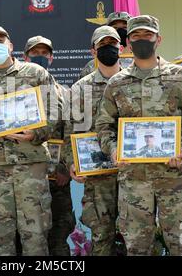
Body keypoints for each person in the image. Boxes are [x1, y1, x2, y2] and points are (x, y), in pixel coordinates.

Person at [95, 15, 182, 256]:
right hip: (134, 182)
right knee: (137, 249)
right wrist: (114, 150)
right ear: (128, 42)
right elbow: (104, 126)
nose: (142, 40)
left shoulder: (181, 77)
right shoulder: (116, 83)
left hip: (174, 179)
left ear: (159, 39)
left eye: (148, 35)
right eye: (136, 36)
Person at [0, 25, 58, 255]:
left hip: (30, 168)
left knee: (35, 237)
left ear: (11, 46)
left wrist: (36, 133)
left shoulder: (36, 74)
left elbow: (55, 111)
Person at [65, 25, 122, 256]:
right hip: (98, 176)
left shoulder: (132, 81)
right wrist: (72, 162)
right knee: (102, 236)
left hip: (133, 174)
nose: (108, 49)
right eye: (103, 46)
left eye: (113, 44)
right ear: (93, 52)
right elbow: (71, 129)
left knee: (137, 235)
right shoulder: (81, 88)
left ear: (122, 47)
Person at [23, 35, 75, 256]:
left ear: (52, 58)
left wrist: (65, 168)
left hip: (57, 179)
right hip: (25, 175)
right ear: (25, 57)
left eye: (44, 53)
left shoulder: (64, 92)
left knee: (59, 232)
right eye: (35, 53)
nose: (40, 57)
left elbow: (71, 132)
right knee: (27, 234)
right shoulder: (15, 92)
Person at [79, 11, 132, 79]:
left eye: (125, 27)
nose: (120, 31)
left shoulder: (138, 63)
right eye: (115, 28)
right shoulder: (92, 66)